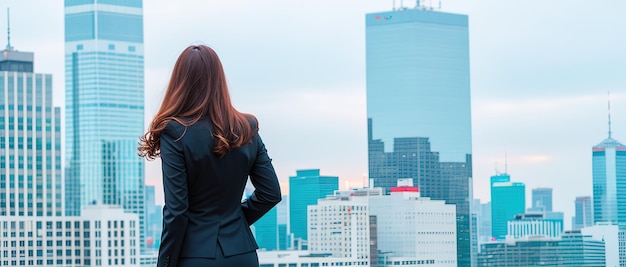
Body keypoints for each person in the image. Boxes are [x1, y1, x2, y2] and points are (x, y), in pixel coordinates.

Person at [138, 45, 282, 267]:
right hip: (242, 256)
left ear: (179, 82)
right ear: (219, 81)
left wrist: (164, 264)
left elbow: (177, 211)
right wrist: (234, 222)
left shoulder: (175, 131)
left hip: (195, 257)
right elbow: (271, 193)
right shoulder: (247, 127)